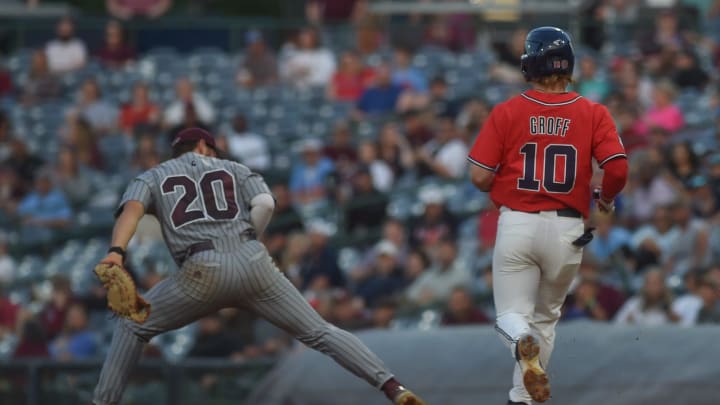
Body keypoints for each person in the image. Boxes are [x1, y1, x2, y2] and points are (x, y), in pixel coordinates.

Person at [91, 127, 426, 405]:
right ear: (206, 146)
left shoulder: (153, 175)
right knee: (321, 332)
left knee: (132, 325)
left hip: (200, 269)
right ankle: (393, 387)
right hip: (253, 260)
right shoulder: (235, 168)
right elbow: (265, 203)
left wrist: (117, 251)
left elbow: (131, 210)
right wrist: (249, 239)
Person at [467, 27, 628, 405]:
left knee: (511, 318)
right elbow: (618, 169)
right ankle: (523, 400)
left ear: (529, 64)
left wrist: (501, 186)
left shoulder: (508, 111)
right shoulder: (594, 112)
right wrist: (605, 198)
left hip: (518, 223)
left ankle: (522, 343)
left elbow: (478, 175)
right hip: (568, 230)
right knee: (546, 320)